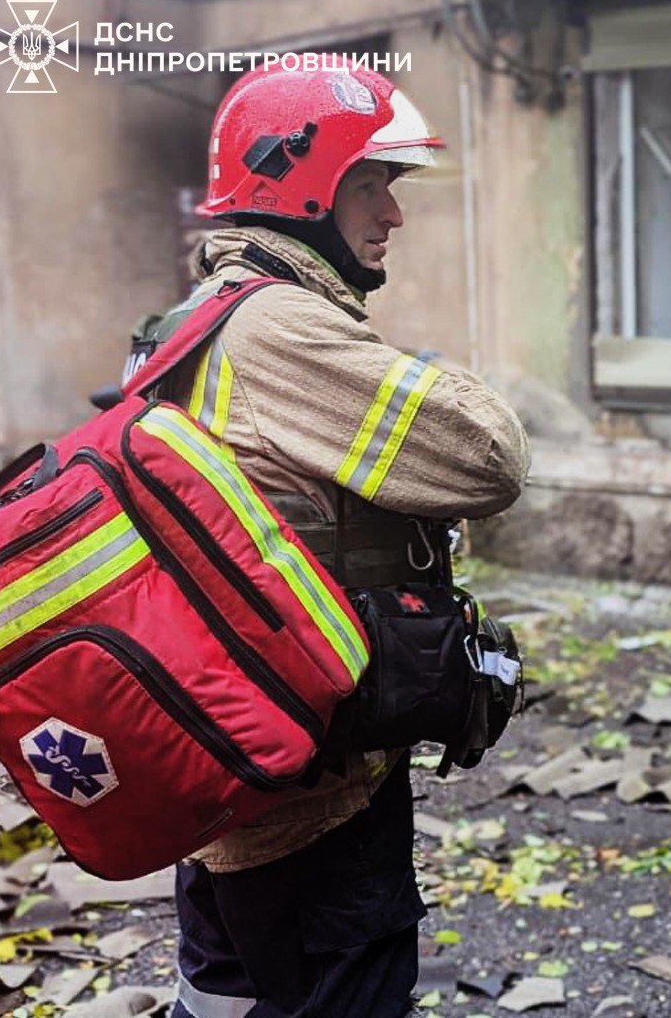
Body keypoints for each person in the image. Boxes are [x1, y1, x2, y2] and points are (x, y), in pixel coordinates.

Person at [158, 58, 530, 1018]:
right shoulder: (281, 328)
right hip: (316, 796)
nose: (394, 216)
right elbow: (489, 456)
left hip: (230, 771)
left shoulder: (189, 319)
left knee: (226, 996)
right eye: (375, 184)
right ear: (307, 189)